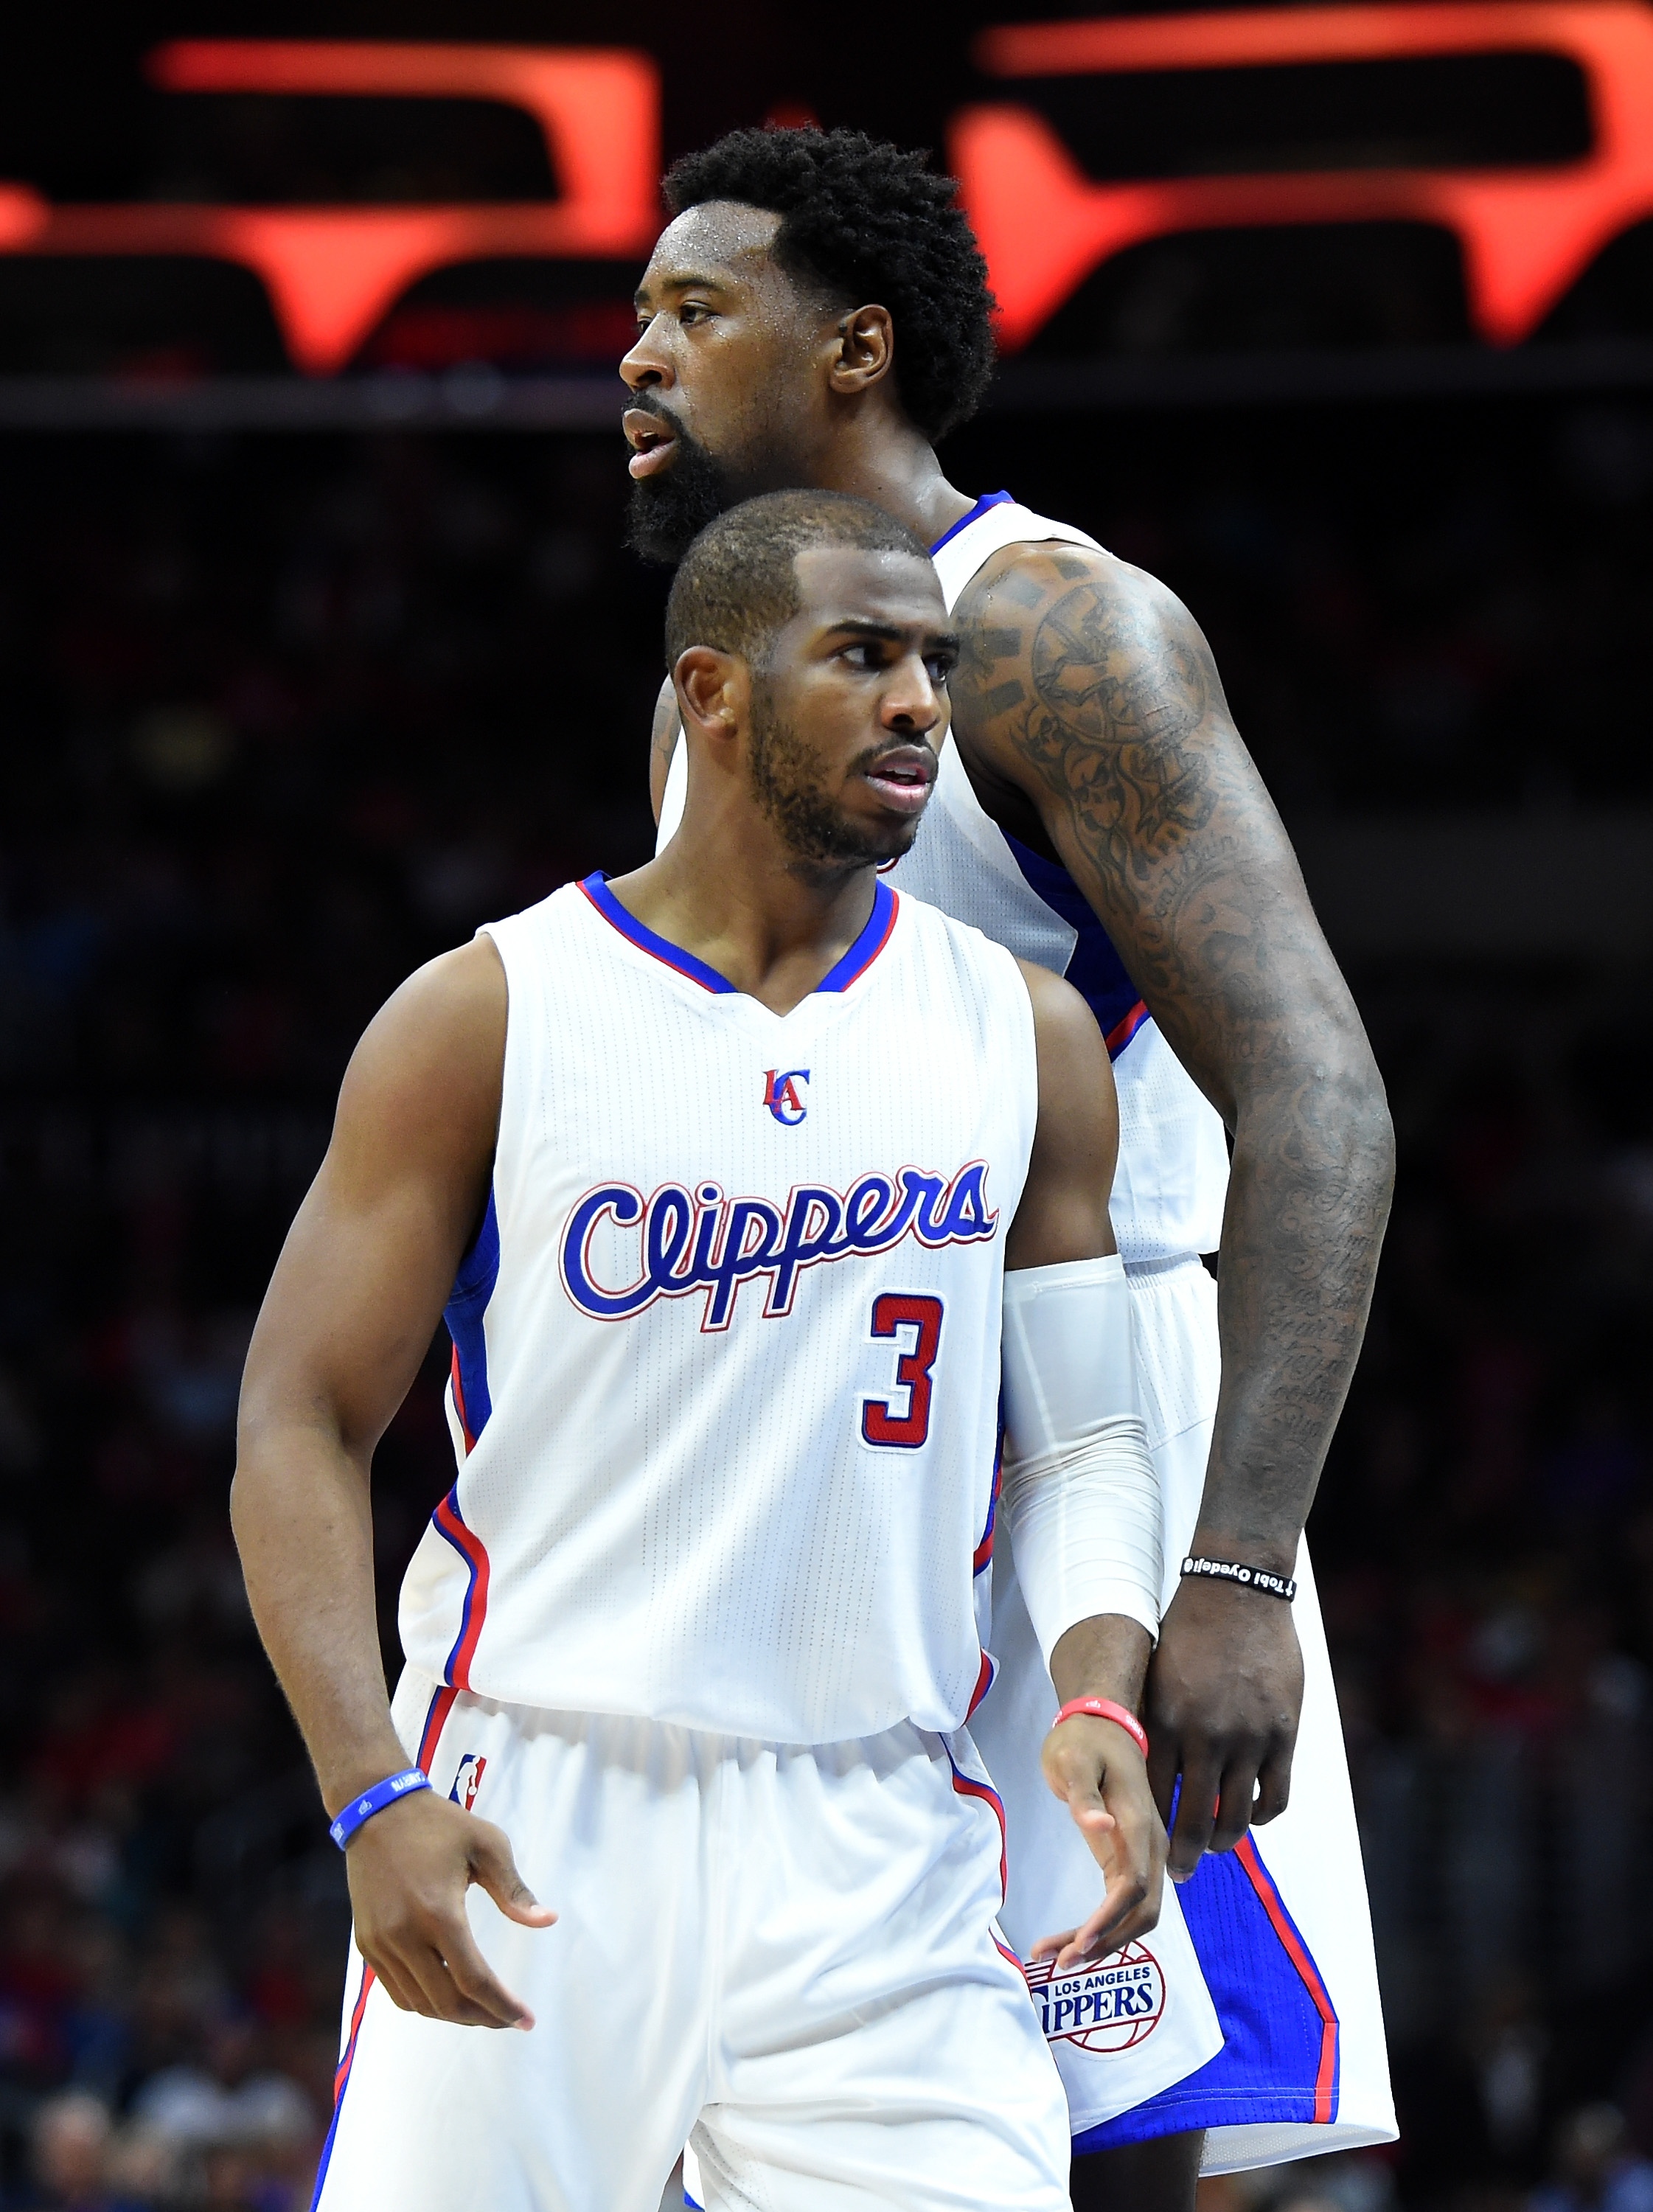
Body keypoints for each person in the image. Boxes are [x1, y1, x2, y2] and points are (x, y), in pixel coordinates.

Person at [232, 489, 1175, 2211]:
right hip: (536, 1802)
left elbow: (1087, 1442)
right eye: (864, 657)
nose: (918, 705)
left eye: (934, 667)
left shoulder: (1021, 1034)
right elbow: (298, 1419)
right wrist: (369, 1796)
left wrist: (1100, 1676)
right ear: (714, 692)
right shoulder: (492, 1011)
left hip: (881, 1825)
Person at [624, 128, 1399, 2205]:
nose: (639, 358)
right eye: (639, 316)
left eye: (694, 313)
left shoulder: (1047, 629)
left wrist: (1231, 1564)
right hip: (831, 1452)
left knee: (1112, 2122)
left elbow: (1316, 1089)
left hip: (1073, 1438)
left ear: (853, 347)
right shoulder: (733, 670)